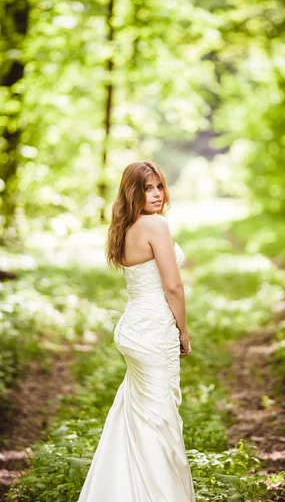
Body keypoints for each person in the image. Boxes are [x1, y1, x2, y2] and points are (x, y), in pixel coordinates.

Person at [77, 161, 196, 502]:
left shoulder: (126, 228)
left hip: (134, 329)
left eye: (159, 186)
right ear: (134, 192)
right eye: (148, 188)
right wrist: (183, 332)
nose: (157, 194)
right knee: (160, 421)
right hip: (155, 331)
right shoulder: (155, 225)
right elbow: (173, 286)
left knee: (136, 415)